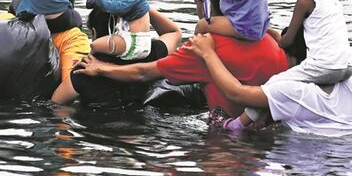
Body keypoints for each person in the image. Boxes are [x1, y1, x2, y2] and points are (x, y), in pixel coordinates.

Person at [229, 0, 352, 132]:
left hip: (324, 65)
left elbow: (287, 41)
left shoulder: (305, 2)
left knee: (273, 85)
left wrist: (267, 32)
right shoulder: (332, 0)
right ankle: (264, 121)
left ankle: (238, 124)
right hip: (347, 66)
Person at [72, 31, 288, 118]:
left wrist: (100, 68)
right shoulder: (267, 35)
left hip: (227, 137)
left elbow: (142, 73)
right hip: (267, 124)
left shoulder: (203, 49)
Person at [189, 33, 352, 138]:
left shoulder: (291, 90)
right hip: (345, 160)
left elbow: (236, 93)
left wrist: (208, 53)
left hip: (303, 156)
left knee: (226, 131)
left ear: (292, 58)